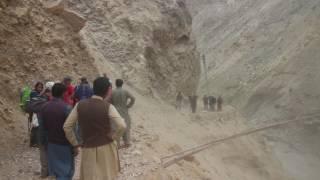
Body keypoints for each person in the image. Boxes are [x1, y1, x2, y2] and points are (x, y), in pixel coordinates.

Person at [64, 77, 126, 180]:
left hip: (88, 148)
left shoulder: (80, 105)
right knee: (107, 175)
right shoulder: (108, 106)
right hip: (106, 147)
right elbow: (122, 126)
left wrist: (75, 143)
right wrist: (114, 137)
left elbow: (67, 127)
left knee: (90, 176)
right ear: (108, 89)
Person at [41, 83, 75, 180]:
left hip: (51, 144)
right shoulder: (67, 108)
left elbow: (42, 128)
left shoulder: (44, 107)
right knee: (66, 171)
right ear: (64, 93)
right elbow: (71, 128)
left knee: (55, 171)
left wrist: (43, 143)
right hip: (65, 144)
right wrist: (75, 144)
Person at [111, 79, 135, 148]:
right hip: (124, 110)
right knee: (126, 125)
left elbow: (109, 100)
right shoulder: (125, 91)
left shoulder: (113, 92)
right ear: (122, 84)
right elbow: (133, 98)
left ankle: (117, 144)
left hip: (115, 111)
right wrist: (129, 105)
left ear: (116, 84)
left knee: (116, 127)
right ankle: (127, 142)